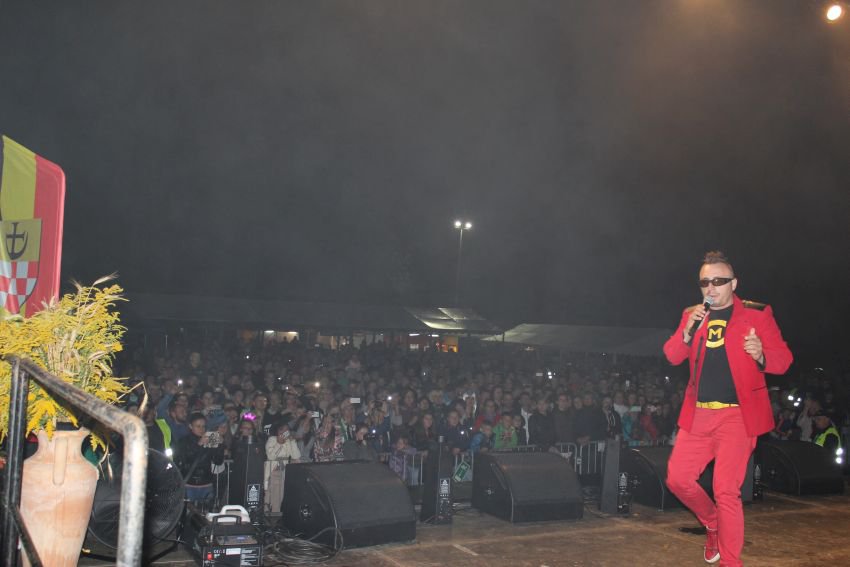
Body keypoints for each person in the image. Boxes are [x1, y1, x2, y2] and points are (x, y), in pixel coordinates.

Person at [663, 251, 792, 567]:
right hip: (698, 415)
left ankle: (731, 562)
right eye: (704, 282)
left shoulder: (757, 314)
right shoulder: (692, 315)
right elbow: (672, 355)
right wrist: (687, 331)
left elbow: (783, 360)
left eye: (718, 281)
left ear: (733, 284)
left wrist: (761, 355)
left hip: (737, 416)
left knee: (725, 490)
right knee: (677, 479)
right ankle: (712, 523)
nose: (711, 287)